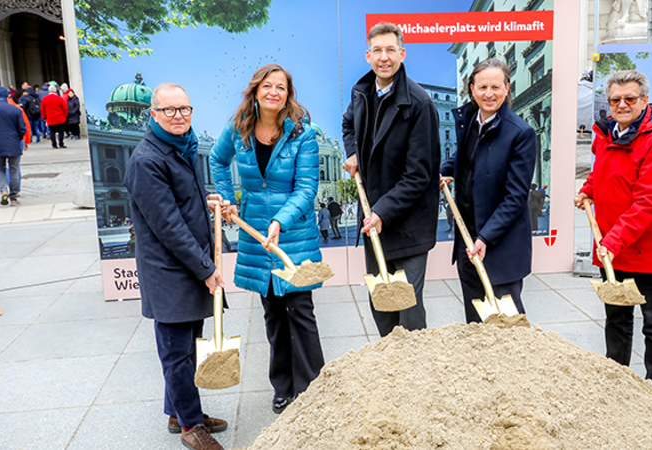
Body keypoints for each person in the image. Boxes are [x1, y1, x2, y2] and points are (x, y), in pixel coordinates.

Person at [210, 63, 325, 415]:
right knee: (274, 315)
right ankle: (283, 387)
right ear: (256, 91)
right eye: (268, 86)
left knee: (300, 311)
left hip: (293, 235)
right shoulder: (238, 129)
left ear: (288, 94)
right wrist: (228, 199)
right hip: (255, 236)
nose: (274, 92)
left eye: (282, 88)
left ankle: (313, 387)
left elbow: (307, 189)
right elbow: (217, 160)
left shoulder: (302, 134)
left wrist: (280, 219)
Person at [123, 82, 228, 450]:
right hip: (169, 272)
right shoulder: (147, 160)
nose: (178, 116)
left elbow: (182, 205)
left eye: (184, 109)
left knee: (188, 346)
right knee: (177, 354)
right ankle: (189, 427)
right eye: (169, 110)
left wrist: (208, 201)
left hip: (188, 266)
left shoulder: (181, 147)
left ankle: (180, 411)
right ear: (153, 114)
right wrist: (206, 268)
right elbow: (168, 226)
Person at [574, 70, 652, 393]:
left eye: (629, 99)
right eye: (615, 99)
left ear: (644, 100)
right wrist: (588, 189)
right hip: (612, 248)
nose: (622, 105)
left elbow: (650, 201)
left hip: (645, 249)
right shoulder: (606, 135)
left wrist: (614, 240)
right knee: (616, 319)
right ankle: (617, 382)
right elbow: (602, 173)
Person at [342, 22, 440, 337]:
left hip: (408, 224)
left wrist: (382, 212)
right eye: (378, 51)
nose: (384, 57)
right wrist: (353, 151)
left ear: (402, 53)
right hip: (376, 223)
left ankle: (416, 376)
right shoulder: (362, 92)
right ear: (368, 55)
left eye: (391, 50)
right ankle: (390, 374)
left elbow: (419, 174)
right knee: (382, 306)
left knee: (409, 314)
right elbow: (348, 124)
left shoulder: (419, 103)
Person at [439, 58, 536, 323]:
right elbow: (467, 158)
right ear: (472, 89)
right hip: (468, 239)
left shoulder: (520, 133)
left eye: (496, 86)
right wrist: (445, 170)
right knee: (475, 322)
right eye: (482, 87)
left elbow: (516, 197)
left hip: (500, 244)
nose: (489, 94)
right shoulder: (470, 122)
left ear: (507, 89)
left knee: (508, 327)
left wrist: (486, 237)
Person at [0, 87, 26, 206]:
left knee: (0, 169)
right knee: (13, 169)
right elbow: (22, 128)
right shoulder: (15, 110)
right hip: (13, 143)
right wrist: (18, 138)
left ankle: (3, 190)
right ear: (7, 97)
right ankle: (13, 197)